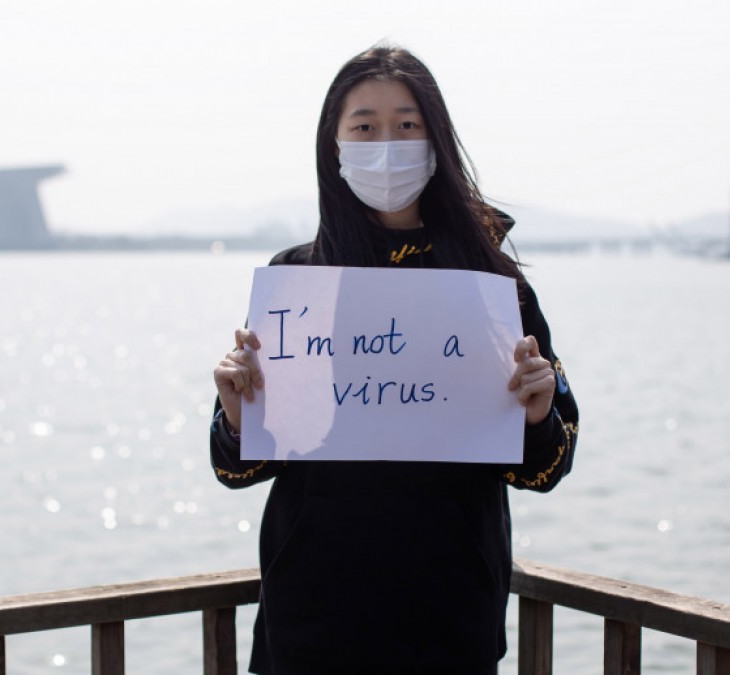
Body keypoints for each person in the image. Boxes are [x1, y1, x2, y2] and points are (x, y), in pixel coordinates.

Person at [210, 44, 579, 675]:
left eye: (407, 125)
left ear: (437, 141)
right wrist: (237, 409)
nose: (387, 143)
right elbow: (239, 468)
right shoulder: (296, 279)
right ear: (334, 145)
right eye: (364, 126)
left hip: (449, 616)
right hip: (311, 620)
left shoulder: (492, 285)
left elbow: (546, 468)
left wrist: (537, 413)